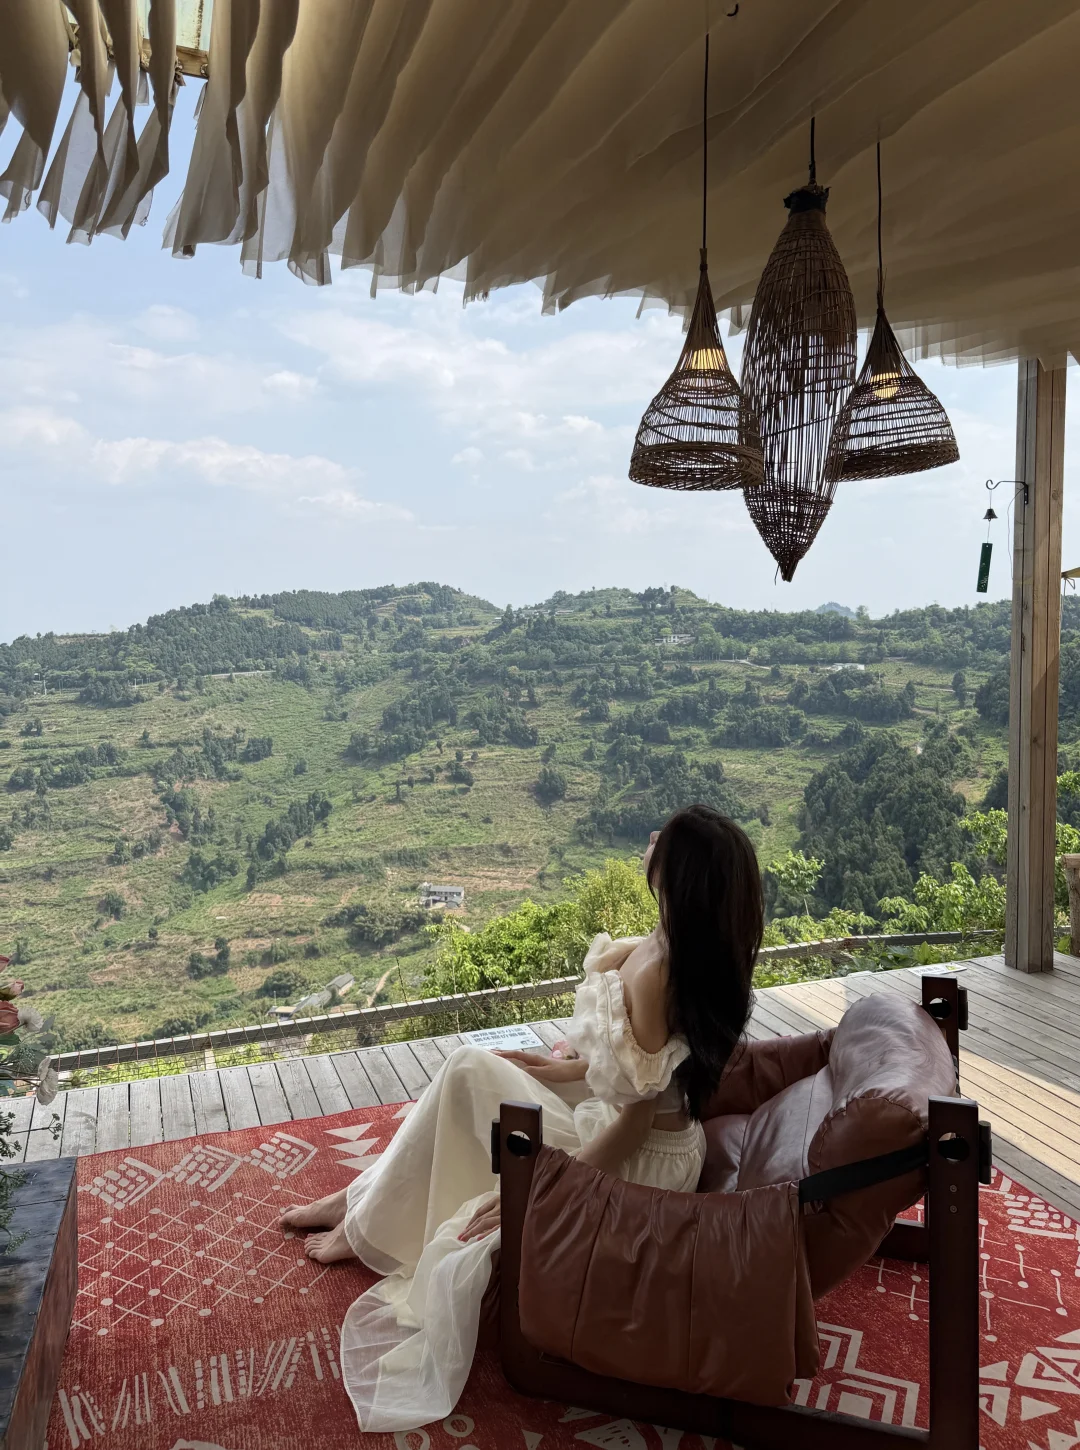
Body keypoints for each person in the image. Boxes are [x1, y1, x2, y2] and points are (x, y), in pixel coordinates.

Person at [278, 804, 764, 1433]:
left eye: (662, 840)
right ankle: (361, 1199)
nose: (649, 840)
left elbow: (640, 1114)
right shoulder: (672, 941)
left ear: (680, 872)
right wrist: (550, 1067)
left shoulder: (664, 972)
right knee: (472, 1069)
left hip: (639, 1161)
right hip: (617, 1116)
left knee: (466, 1070)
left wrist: (548, 1185)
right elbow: (622, 1067)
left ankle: (361, 1219)